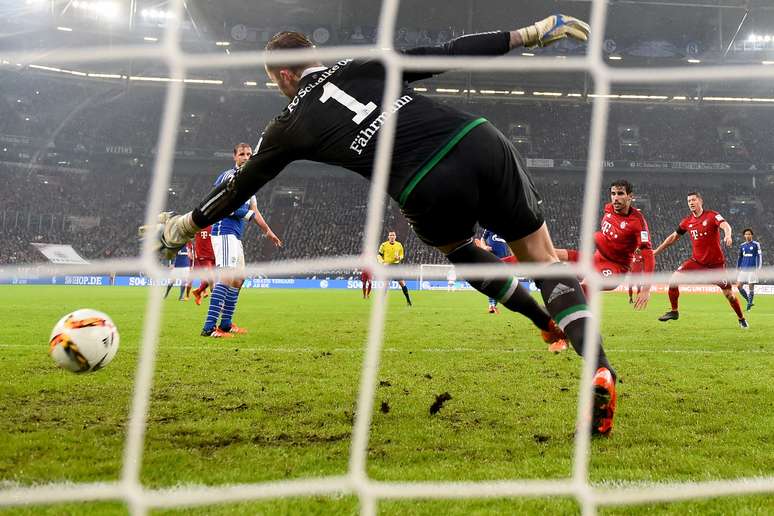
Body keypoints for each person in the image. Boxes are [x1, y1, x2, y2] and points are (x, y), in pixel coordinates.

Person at [150, 15, 618, 435]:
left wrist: (182, 228)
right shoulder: (359, 66)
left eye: (277, 82)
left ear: (286, 75)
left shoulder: (286, 125)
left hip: (423, 183)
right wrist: (528, 35)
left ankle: (541, 321)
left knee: (457, 247)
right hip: (475, 138)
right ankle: (598, 367)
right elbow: (447, 53)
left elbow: (238, 187)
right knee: (543, 259)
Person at [201, 143, 283, 338]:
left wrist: (268, 232)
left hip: (235, 236)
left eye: (249, 154)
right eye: (242, 154)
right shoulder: (229, 176)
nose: (246, 157)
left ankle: (227, 324)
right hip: (224, 232)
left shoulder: (250, 183)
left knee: (238, 279)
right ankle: (209, 327)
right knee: (227, 277)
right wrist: (248, 215)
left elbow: (255, 211)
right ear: (234, 157)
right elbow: (221, 204)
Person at [555, 180, 655, 310]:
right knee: (552, 252)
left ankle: (571, 321)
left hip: (615, 268)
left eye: (620, 194)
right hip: (596, 258)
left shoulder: (638, 223)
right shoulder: (609, 208)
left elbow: (649, 256)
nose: (616, 198)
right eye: (613, 193)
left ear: (630, 196)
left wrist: (646, 289)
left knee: (586, 285)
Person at [653, 192, 748, 329]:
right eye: (688, 201)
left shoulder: (712, 215)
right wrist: (656, 251)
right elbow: (673, 237)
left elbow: (725, 225)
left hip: (716, 266)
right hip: (696, 262)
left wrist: (728, 236)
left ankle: (741, 319)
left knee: (730, 295)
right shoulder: (687, 221)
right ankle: (674, 312)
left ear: (700, 201)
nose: (691, 203)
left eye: (693, 200)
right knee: (673, 280)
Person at [479, 228, 515, 314]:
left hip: (504, 259)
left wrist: (513, 256)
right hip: (492, 258)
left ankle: (493, 304)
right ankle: (492, 305)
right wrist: (484, 247)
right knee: (492, 282)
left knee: (500, 284)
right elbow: (482, 239)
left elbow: (511, 244)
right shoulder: (489, 226)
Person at [378, 230, 412, 306]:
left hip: (396, 266)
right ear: (388, 237)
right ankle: (381, 302)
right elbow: (379, 255)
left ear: (395, 237)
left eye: (393, 235)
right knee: (386, 284)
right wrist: (382, 262)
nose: (392, 237)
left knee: (402, 283)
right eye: (390, 235)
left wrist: (398, 257)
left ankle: (408, 300)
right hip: (387, 266)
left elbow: (402, 255)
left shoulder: (399, 245)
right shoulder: (384, 245)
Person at [736, 228, 762, 311]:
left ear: (752, 235)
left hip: (752, 269)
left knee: (751, 287)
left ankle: (749, 306)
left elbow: (759, 256)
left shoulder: (756, 244)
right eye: (746, 234)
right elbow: (740, 257)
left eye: (749, 234)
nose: (748, 235)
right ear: (744, 235)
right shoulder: (742, 245)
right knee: (739, 286)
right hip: (743, 269)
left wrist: (758, 268)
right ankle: (749, 300)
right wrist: (738, 267)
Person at [191, 225, 215, 306]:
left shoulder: (216, 225)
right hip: (203, 256)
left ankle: (198, 292)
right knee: (211, 278)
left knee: (209, 279)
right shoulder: (198, 223)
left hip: (214, 255)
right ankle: (217, 303)